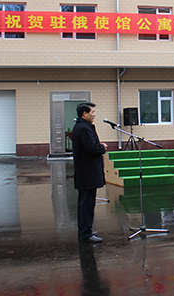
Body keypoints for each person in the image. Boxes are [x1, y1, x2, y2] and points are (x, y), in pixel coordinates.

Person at [72, 102, 108, 243]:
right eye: (92, 112)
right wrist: (102, 147)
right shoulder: (84, 128)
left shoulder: (81, 126)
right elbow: (92, 149)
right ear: (84, 114)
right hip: (87, 172)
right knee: (86, 203)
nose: (94, 114)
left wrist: (98, 145)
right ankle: (86, 233)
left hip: (84, 171)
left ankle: (84, 230)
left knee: (84, 202)